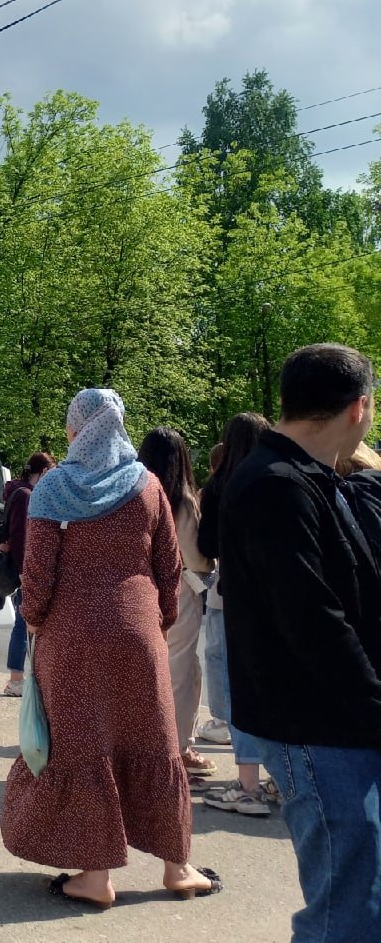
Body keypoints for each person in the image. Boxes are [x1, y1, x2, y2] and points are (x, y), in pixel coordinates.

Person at [1, 388, 220, 907]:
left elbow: (37, 574)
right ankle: (179, 866)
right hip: (139, 628)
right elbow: (169, 567)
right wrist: (158, 623)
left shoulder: (54, 487)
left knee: (84, 743)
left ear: (79, 430)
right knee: (154, 740)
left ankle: (97, 877)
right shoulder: (147, 487)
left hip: (71, 635)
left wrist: (33, 620)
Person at [220, 344, 380, 942]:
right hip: (319, 726)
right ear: (359, 408)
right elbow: (312, 619)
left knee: (360, 899)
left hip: (331, 720)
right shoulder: (276, 484)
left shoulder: (301, 475)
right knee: (348, 911)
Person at [196, 412, 274, 815]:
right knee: (277, 686)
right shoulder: (279, 475)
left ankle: (248, 784)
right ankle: (282, 777)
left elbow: (207, 543)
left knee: (238, 685)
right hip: (280, 598)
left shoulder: (221, 484)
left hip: (233, 595)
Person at [137, 427, 216, 781]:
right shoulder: (182, 500)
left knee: (145, 671)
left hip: (137, 590)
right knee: (181, 671)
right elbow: (196, 558)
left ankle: (144, 746)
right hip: (179, 588)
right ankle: (178, 748)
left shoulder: (133, 493)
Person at [0, 452, 55, 696]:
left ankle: (19, 678)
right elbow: (22, 537)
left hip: (21, 568)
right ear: (43, 472)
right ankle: (15, 679)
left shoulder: (18, 491)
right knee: (23, 624)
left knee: (23, 623)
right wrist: (25, 572)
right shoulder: (25, 496)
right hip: (25, 571)